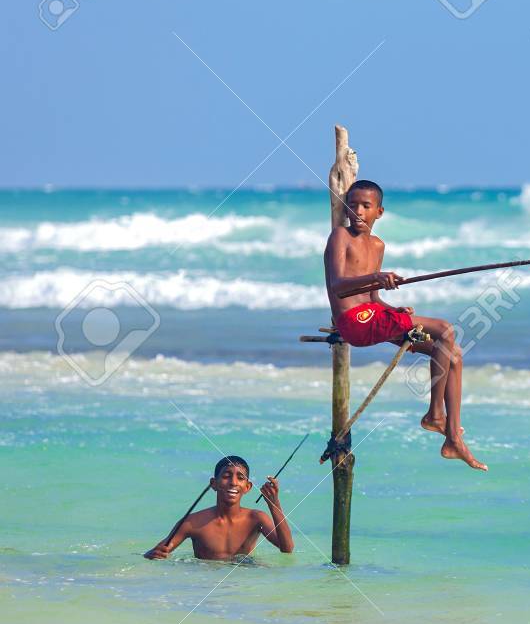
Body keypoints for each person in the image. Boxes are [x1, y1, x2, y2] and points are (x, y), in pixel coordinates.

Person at [323, 179, 486, 471]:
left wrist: (391, 308)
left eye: (366, 205)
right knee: (445, 328)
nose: (357, 210)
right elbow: (338, 286)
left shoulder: (377, 245)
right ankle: (436, 415)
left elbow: (372, 298)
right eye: (353, 204)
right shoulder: (340, 237)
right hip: (353, 322)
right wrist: (378, 278)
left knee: (452, 353)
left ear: (379, 212)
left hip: (373, 317)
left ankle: (452, 437)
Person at [144, 456, 293, 560]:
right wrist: (152, 554)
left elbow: (287, 548)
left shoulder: (256, 519)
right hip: (207, 579)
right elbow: (159, 552)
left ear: (247, 487)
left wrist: (274, 504)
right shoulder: (191, 522)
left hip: (245, 582)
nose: (233, 482)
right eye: (227, 476)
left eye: (240, 478)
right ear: (214, 484)